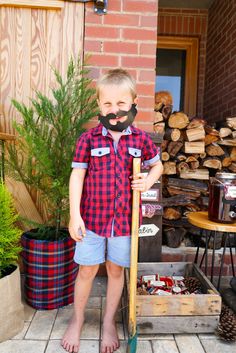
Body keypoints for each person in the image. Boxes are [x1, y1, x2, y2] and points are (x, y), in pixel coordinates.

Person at [61, 68, 163, 353]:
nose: (114, 110)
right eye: (107, 104)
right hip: (92, 221)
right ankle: (77, 319)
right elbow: (77, 176)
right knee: (87, 270)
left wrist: (148, 179)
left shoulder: (141, 140)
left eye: (121, 104)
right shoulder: (88, 140)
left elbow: (158, 165)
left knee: (116, 271)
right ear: (99, 105)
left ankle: (108, 322)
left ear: (133, 103)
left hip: (125, 224)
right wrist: (74, 214)